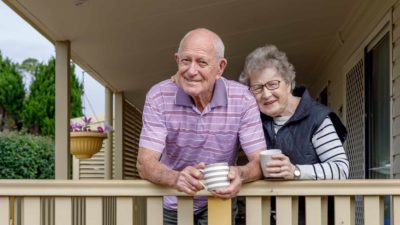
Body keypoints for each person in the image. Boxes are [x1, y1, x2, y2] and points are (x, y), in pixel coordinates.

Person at [137, 28, 267, 225]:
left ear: (220, 67)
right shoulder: (159, 96)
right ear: (177, 60)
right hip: (173, 199)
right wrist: (175, 178)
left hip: (219, 198)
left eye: (202, 62)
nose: (191, 70)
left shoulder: (242, 99)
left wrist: (240, 174)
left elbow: (259, 162)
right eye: (186, 60)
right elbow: (144, 163)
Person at [239, 44, 349, 225]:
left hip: (315, 219)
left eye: (273, 84)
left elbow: (341, 169)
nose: (266, 94)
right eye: (257, 88)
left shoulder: (316, 117)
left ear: (288, 83)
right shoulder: (254, 120)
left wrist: (296, 171)